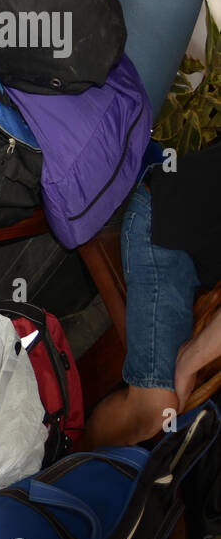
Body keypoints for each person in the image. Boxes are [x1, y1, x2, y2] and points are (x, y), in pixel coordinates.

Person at [80, 143, 221, 449]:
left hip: (201, 264)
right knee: (155, 407)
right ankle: (61, 478)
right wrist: (188, 362)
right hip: (164, 227)